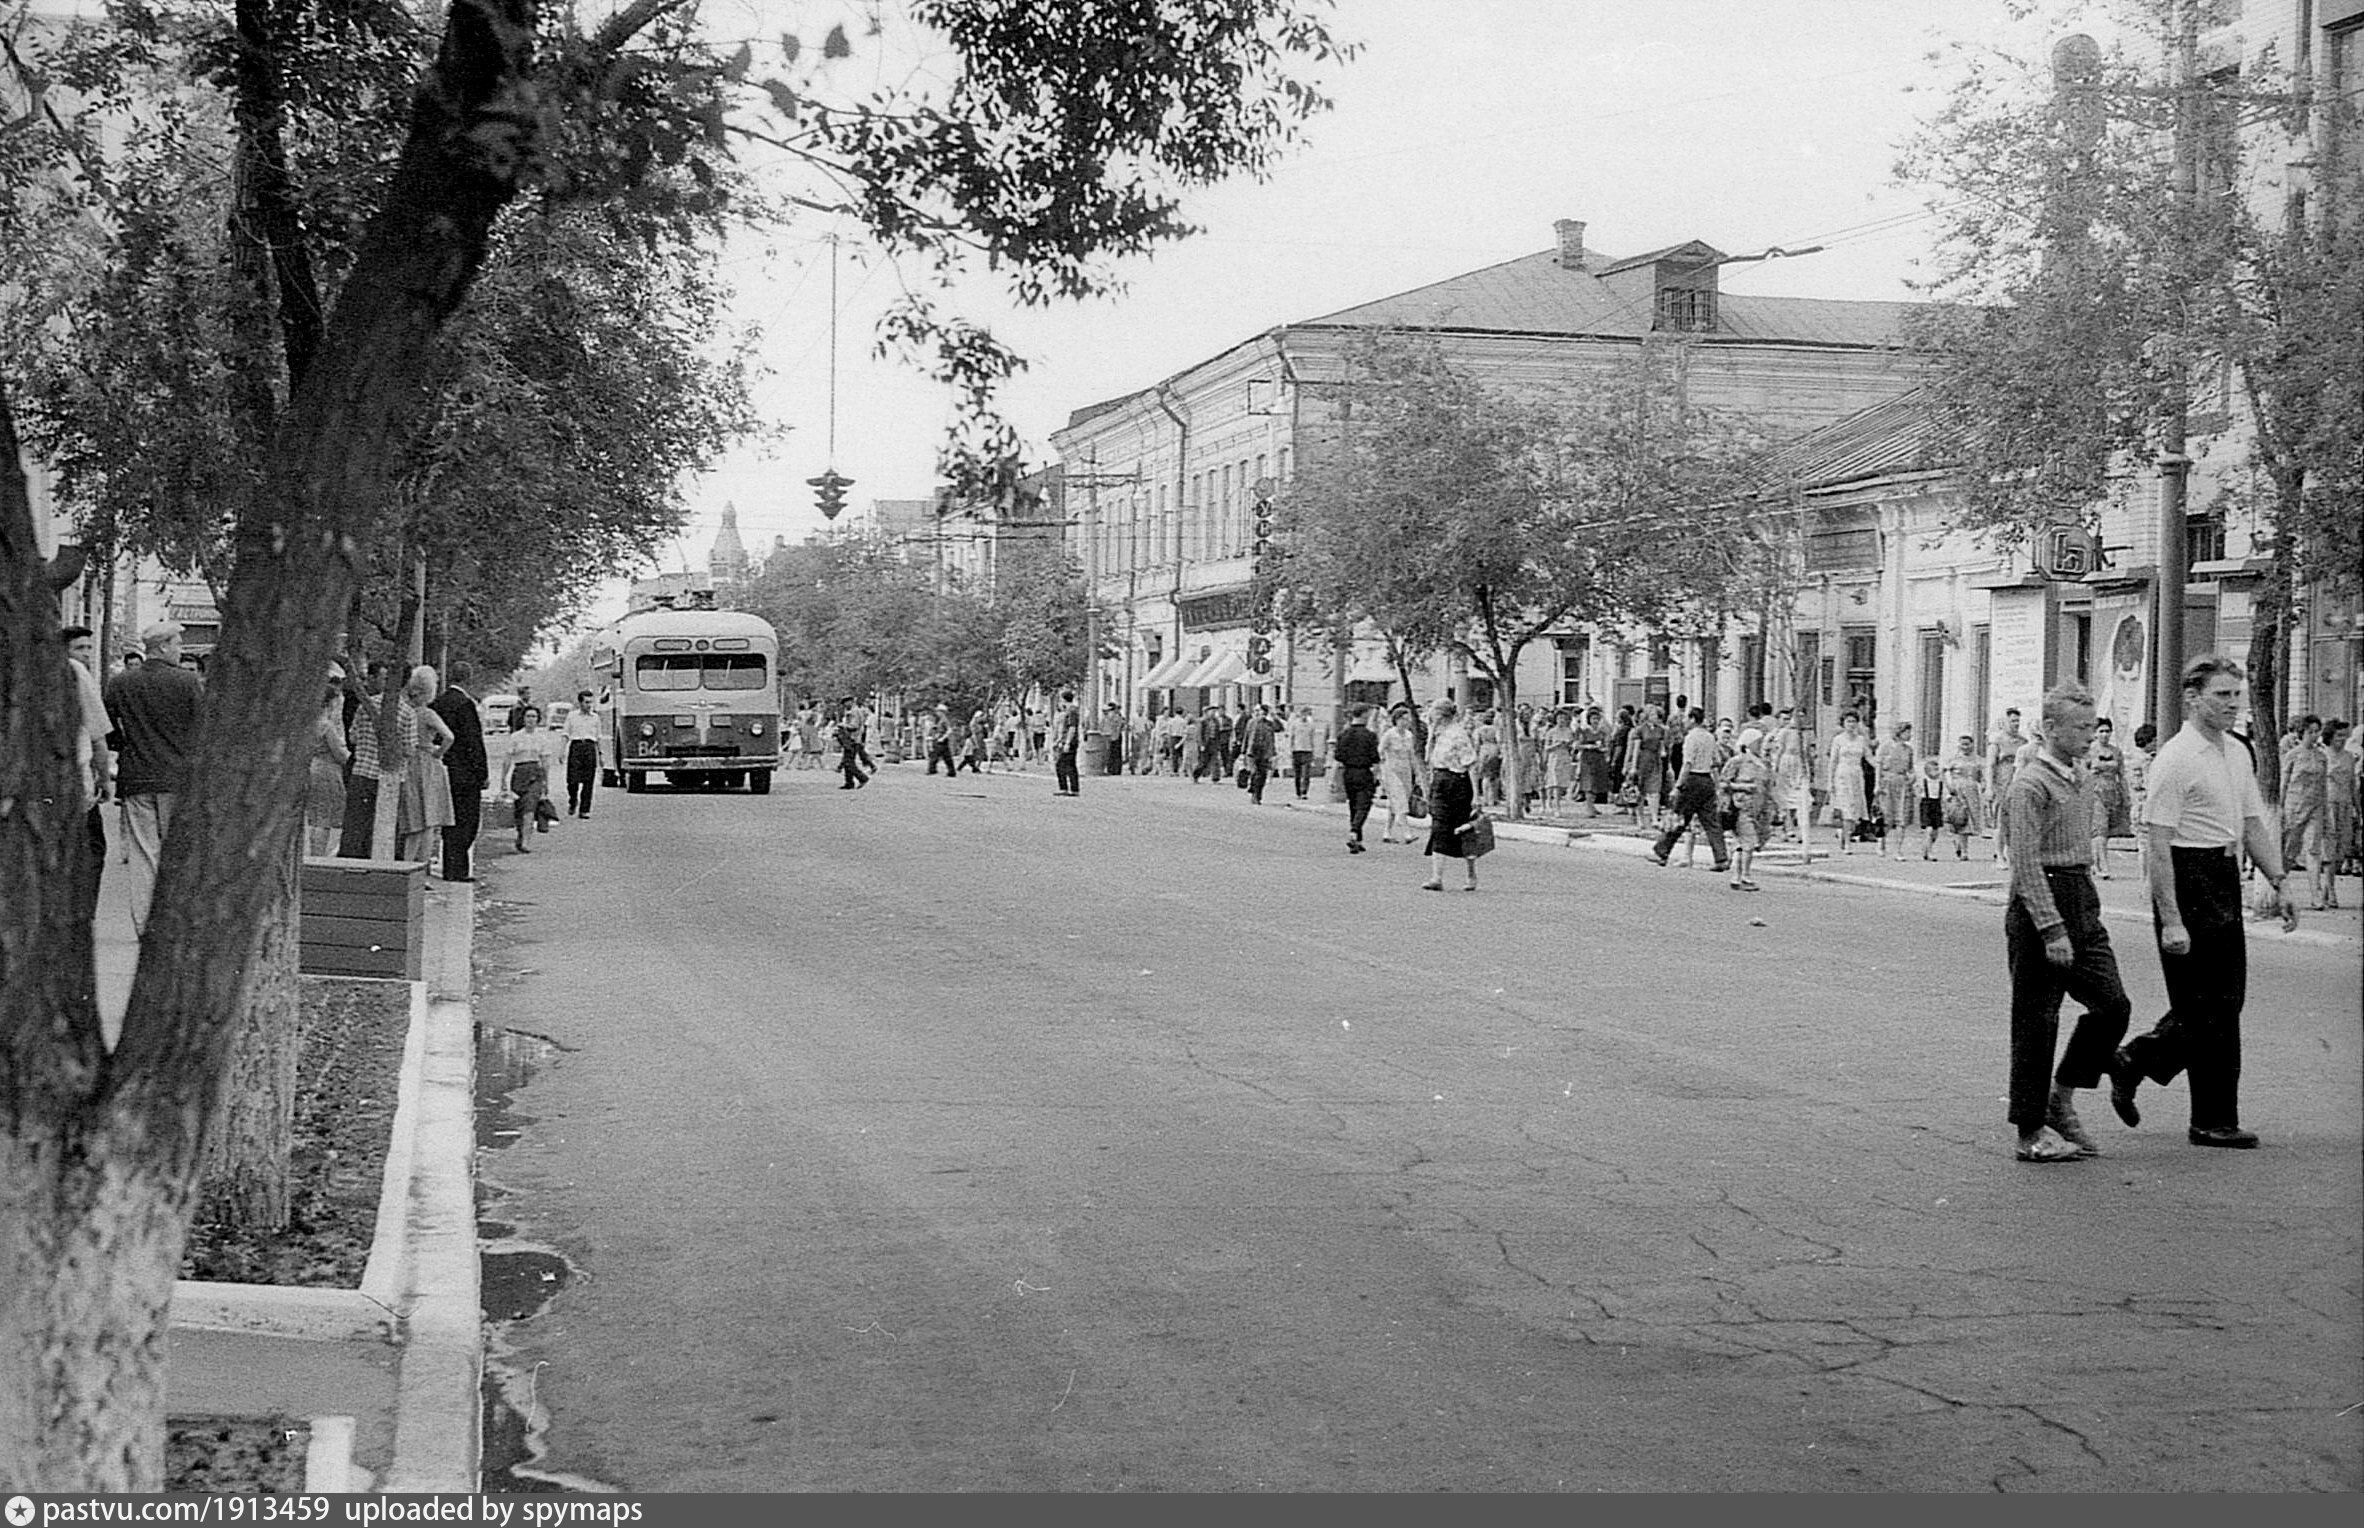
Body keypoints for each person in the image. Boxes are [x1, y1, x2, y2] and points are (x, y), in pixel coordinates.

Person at [2114, 655, 2300, 1150]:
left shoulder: (2237, 752)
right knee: (2202, 1005)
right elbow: (2157, 844)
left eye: (2236, 695)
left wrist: (2278, 880)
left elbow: (2254, 823)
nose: (2233, 705)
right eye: (2222, 695)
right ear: (2193, 698)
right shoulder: (2175, 758)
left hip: (2222, 873)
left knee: (2227, 1003)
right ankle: (2142, 1065)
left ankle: (2192, 1101)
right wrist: (2171, 919)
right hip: (2186, 875)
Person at [1999, 681, 2134, 1163]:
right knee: (2037, 1018)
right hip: (2042, 902)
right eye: (2079, 728)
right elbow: (2026, 861)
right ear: (2050, 728)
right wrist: (2051, 928)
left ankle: (2063, 1095)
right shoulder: (2030, 784)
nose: (2089, 736)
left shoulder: (2081, 775)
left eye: (2092, 727)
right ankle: (2030, 1130)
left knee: (2113, 1005)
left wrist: (2077, 915)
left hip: (2080, 894)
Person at [103, 620, 205, 936]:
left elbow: (107, 732)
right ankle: (175, 923)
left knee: (143, 853)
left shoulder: (121, 683)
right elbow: (202, 731)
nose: (180, 650)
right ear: (162, 647)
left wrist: (127, 745)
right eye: (177, 644)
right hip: (178, 779)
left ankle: (144, 925)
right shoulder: (187, 683)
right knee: (177, 852)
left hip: (137, 777)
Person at [60, 626, 112, 922]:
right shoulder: (76, 673)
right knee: (91, 850)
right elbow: (97, 736)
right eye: (81, 648)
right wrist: (104, 780)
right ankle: (80, 915)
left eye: (89, 648)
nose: (87, 655)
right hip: (77, 783)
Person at [1650, 707, 1731, 873]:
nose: (1686, 722)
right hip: (1706, 779)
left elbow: (1687, 763)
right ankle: (1721, 857)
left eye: (1688, 719)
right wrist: (1716, 785)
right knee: (1711, 822)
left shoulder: (1691, 738)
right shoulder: (1710, 737)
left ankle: (1662, 852)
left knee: (1679, 817)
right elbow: (1715, 761)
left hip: (1692, 779)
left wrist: (1678, 786)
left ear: (1693, 719)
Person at [429, 664, 488, 880]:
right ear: (469, 678)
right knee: (467, 822)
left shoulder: (438, 703)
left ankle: (450, 867)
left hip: (445, 769)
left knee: (450, 821)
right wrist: (482, 773)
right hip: (466, 773)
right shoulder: (465, 704)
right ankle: (458, 870)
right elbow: (474, 742)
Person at [398, 666, 457, 866]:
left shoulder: (405, 711)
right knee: (429, 821)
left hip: (408, 762)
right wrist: (438, 752)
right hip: (428, 763)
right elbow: (449, 737)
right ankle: (422, 869)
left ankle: (405, 866)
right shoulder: (428, 714)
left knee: (413, 820)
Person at [1420, 699, 1480, 892]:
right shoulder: (1439, 734)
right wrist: (1430, 735)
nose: (1430, 716)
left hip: (1457, 783)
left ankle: (1471, 874)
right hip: (1439, 781)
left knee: (1463, 830)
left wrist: (1476, 796)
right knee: (1439, 827)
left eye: (1433, 712)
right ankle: (1436, 877)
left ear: (1441, 714)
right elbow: (1429, 760)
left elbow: (1470, 765)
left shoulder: (1458, 735)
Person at [2279, 715, 2328, 907]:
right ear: (2302, 733)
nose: (2314, 736)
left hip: (2315, 808)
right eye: (2310, 732)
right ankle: (2277, 888)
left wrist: (2325, 810)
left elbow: (2323, 785)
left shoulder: (2322, 756)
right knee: (2290, 851)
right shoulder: (2293, 754)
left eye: (2317, 732)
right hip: (2295, 807)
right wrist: (2281, 809)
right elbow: (2284, 783)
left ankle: (2316, 896)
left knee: (2313, 850)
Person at [1718, 730, 1772, 891]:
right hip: (1741, 807)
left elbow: (1768, 786)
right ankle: (1744, 876)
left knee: (1746, 844)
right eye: (1757, 741)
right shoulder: (1738, 762)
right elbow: (1723, 784)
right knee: (1748, 842)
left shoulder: (1763, 763)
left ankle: (1738, 875)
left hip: (1759, 809)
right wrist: (1744, 787)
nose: (1760, 744)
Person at [306, 666, 351, 858]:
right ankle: (319, 856)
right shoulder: (327, 726)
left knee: (315, 815)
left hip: (312, 767)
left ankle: (315, 854)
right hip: (328, 770)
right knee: (324, 818)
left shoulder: (308, 724)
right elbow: (340, 754)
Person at [2087, 717, 2133, 879]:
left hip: (2112, 792)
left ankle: (2094, 863)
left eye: (2107, 731)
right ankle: (2102, 866)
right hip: (2094, 792)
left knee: (2105, 832)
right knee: (2099, 829)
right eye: (2101, 731)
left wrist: (2126, 797)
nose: (2105, 734)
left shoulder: (2116, 752)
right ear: (2095, 733)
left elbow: (2122, 775)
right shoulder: (2089, 750)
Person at [502, 705, 552, 851]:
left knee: (530, 808)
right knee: (520, 809)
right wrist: (503, 779)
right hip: (519, 774)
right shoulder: (515, 737)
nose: (531, 720)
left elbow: (546, 762)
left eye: (534, 717)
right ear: (523, 719)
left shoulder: (542, 738)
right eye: (528, 716)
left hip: (535, 775)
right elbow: (507, 759)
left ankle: (526, 842)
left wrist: (545, 782)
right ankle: (520, 834)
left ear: (538, 720)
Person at [1334, 703, 1381, 853]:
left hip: (1348, 773)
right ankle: (1354, 832)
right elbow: (1375, 757)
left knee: (1353, 805)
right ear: (1364, 715)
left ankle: (1357, 839)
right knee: (1364, 805)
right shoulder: (1370, 735)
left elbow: (1338, 755)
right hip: (1364, 772)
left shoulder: (1344, 734)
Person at [1826, 711, 1871, 854]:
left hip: (1856, 776)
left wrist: (1883, 767)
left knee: (1855, 810)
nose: (1851, 725)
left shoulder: (1861, 740)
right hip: (1842, 775)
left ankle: (1845, 834)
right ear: (1843, 724)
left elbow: (1868, 757)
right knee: (1846, 809)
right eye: (1848, 722)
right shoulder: (1838, 740)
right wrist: (1830, 781)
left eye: (1853, 721)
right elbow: (1833, 761)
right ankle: (1847, 843)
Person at [2320, 720, 2354, 909]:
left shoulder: (2349, 757)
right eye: (2339, 736)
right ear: (2330, 737)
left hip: (2346, 805)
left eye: (2344, 736)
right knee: (2330, 850)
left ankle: (2327, 887)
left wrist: (2358, 808)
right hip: (2329, 805)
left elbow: (2352, 785)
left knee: (2342, 850)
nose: (2342, 739)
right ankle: (2331, 890)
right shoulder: (2323, 756)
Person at [1989, 707, 2028, 862]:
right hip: (2002, 783)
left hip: (2018, 782)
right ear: (2005, 722)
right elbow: (1990, 765)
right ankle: (1998, 855)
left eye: (2017, 721)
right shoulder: (1997, 741)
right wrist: (1990, 787)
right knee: (2000, 820)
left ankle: (2008, 851)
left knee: (2016, 820)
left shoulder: (2023, 742)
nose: (2016, 724)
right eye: (2012, 721)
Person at [1875, 721, 1917, 861]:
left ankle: (1898, 850)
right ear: (1900, 732)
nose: (1909, 735)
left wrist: (1913, 777)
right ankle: (1881, 843)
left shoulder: (1908, 750)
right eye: (1907, 732)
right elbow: (1879, 767)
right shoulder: (1885, 747)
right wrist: (1877, 785)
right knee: (1887, 816)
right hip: (1887, 783)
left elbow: (1910, 768)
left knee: (1902, 818)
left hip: (1902, 784)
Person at [1377, 706, 1419, 843]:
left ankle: (1387, 832)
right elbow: (1380, 750)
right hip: (1391, 771)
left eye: (1408, 719)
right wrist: (1381, 766)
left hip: (1405, 771)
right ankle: (1407, 833)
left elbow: (1412, 755)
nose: (1406, 722)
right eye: (1403, 719)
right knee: (1400, 801)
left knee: (1395, 802)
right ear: (1397, 719)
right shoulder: (1389, 734)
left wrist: (1416, 773)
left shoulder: (1409, 735)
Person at [1941, 734, 1985, 861]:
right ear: (1959, 745)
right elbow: (1946, 774)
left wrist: (1983, 785)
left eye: (1968, 744)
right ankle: (1959, 845)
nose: (1965, 747)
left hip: (1971, 792)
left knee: (1968, 821)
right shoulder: (1953, 759)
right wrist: (1950, 788)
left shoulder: (1977, 760)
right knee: (1958, 818)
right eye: (1963, 744)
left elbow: (1981, 776)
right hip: (1956, 791)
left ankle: (1963, 848)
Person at [561, 690, 600, 817]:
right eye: (586, 702)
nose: (589, 705)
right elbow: (566, 734)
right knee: (572, 780)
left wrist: (600, 755)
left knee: (588, 781)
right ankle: (573, 800)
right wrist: (562, 751)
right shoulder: (572, 716)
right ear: (580, 703)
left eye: (591, 702)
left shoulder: (595, 718)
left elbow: (598, 738)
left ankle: (584, 809)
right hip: (576, 747)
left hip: (589, 747)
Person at [1239, 703, 1279, 804]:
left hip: (1265, 752)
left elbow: (1279, 728)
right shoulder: (1251, 722)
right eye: (1258, 711)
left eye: (1262, 711)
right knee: (1255, 772)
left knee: (1263, 775)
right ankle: (1254, 794)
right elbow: (1246, 736)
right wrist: (1243, 752)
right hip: (1252, 752)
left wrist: (1275, 718)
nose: (1260, 713)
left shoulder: (1269, 723)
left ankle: (1258, 794)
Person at [1049, 689, 1083, 796]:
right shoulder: (1069, 711)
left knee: (1062, 764)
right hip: (1065, 740)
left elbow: (1072, 728)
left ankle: (1065, 787)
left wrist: (1067, 742)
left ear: (1063, 700)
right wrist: (1059, 740)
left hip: (1070, 742)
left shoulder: (1072, 711)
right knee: (1069, 764)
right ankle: (1073, 788)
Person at [835, 707, 871, 789]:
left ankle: (862, 778)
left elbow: (854, 726)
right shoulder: (853, 712)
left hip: (852, 740)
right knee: (848, 761)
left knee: (849, 762)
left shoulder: (854, 712)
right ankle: (849, 782)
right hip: (851, 740)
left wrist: (842, 725)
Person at [1287, 704, 1318, 800]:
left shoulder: (1311, 724)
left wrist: (1314, 751)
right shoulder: (1295, 724)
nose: (1305, 716)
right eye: (1304, 713)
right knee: (1297, 774)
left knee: (1306, 774)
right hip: (1297, 750)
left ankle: (1304, 792)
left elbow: (1312, 738)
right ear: (1300, 714)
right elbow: (1291, 737)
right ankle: (1298, 792)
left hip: (1307, 750)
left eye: (1307, 714)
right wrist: (1290, 750)